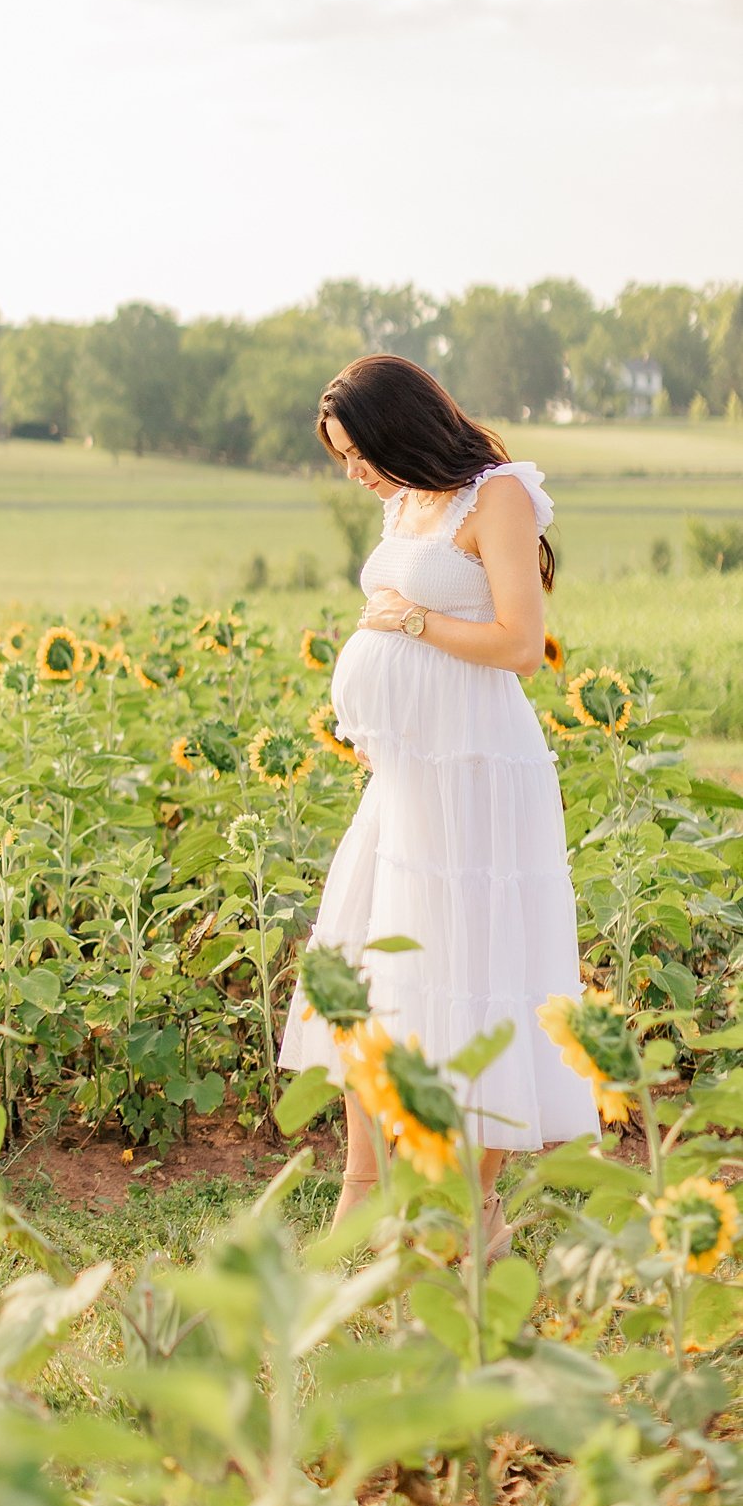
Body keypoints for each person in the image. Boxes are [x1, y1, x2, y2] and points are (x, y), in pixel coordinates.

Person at [277, 354, 598, 1254]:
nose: (354, 472)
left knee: (481, 971)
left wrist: (411, 627)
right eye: (342, 457)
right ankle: (363, 1192)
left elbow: (521, 643)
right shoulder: (403, 498)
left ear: (397, 428)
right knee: (372, 969)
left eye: (357, 451)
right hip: (409, 777)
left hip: (480, 775)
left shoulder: (495, 496)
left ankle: (474, 1212)